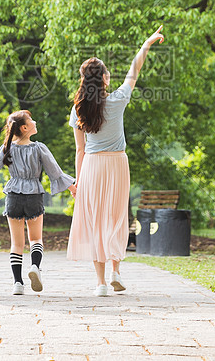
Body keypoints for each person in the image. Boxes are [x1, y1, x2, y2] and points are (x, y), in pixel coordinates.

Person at [66, 26, 165, 296]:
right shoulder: (118, 100)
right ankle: (116, 271)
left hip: (93, 167)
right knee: (117, 218)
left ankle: (100, 284)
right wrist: (146, 44)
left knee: (97, 221)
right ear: (106, 79)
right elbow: (135, 70)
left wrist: (78, 181)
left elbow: (79, 150)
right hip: (118, 164)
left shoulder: (78, 110)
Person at [0, 110, 76, 295]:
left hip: (13, 196)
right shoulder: (39, 148)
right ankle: (35, 267)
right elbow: (56, 172)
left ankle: (18, 284)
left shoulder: (7, 147)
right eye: (31, 120)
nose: (35, 121)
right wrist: (72, 187)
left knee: (16, 243)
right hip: (34, 195)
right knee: (36, 239)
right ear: (24, 128)